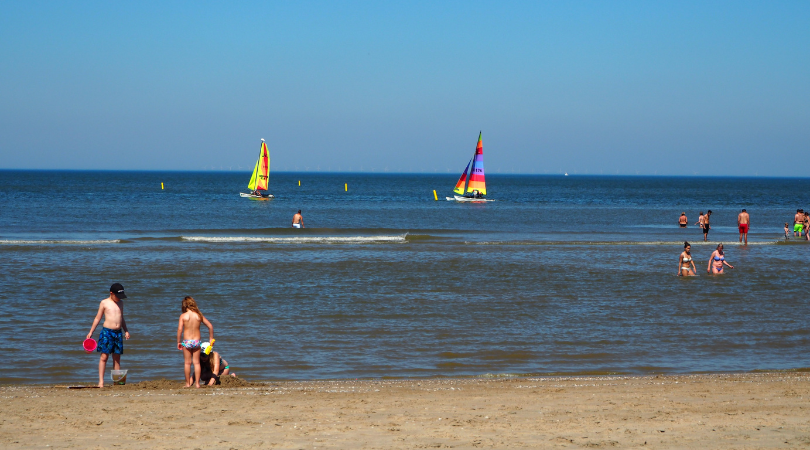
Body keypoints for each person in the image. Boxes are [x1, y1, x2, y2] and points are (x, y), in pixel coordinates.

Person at [86, 283, 130, 388]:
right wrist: (91, 332)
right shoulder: (104, 303)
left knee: (117, 357)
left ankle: (117, 381)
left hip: (118, 333)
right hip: (107, 332)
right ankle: (101, 382)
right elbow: (97, 318)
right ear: (111, 293)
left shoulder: (121, 303)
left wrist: (126, 331)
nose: (119, 299)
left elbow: (121, 318)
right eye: (117, 296)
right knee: (104, 357)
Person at [176, 296, 214, 388]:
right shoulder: (198, 315)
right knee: (196, 363)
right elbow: (210, 326)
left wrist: (178, 341)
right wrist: (211, 338)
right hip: (197, 342)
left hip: (187, 342)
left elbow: (180, 330)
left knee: (187, 363)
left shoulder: (183, 316)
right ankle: (197, 384)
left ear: (184, 305)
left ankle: (187, 384)